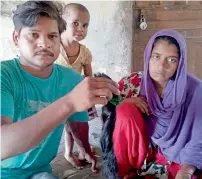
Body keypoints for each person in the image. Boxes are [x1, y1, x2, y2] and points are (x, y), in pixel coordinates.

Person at [0, 1, 119, 179]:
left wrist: (85, 149)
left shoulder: (71, 79)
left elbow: (78, 125)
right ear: (16, 38)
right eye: (34, 34)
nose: (44, 43)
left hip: (40, 172)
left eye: (52, 36)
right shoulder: (4, 76)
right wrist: (69, 102)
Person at [100, 29, 202, 179]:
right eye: (156, 56)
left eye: (171, 60)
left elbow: (199, 137)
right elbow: (109, 110)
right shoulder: (134, 82)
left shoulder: (195, 89)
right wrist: (126, 102)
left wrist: (186, 170)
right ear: (148, 56)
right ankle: (127, 169)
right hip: (144, 149)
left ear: (180, 63)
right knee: (125, 110)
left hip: (180, 153)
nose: (161, 66)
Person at [54, 3, 97, 171]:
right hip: (57, 96)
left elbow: (88, 76)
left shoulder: (85, 52)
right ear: (62, 22)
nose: (81, 29)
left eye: (85, 25)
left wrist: (91, 95)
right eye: (76, 23)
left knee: (77, 125)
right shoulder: (55, 47)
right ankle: (69, 152)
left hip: (77, 96)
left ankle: (79, 151)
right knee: (66, 127)